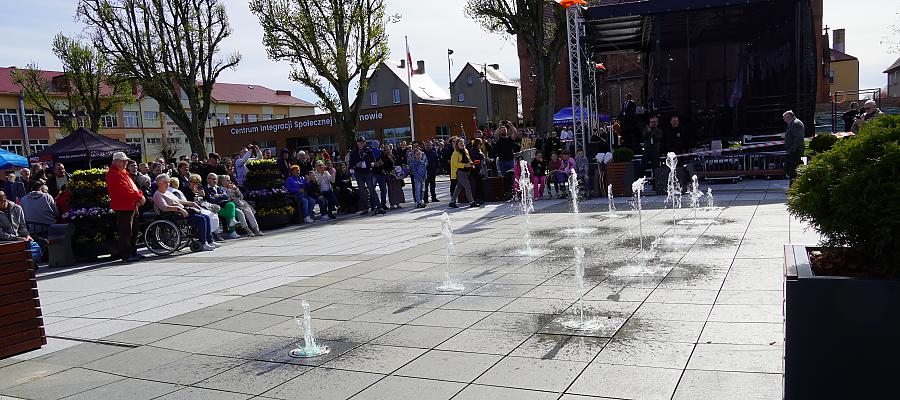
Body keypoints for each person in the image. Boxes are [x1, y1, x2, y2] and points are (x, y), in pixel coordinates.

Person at [152, 174, 215, 251]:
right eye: (165, 182)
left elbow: (179, 201)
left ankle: (209, 240)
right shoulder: (158, 194)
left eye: (168, 182)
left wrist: (190, 203)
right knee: (201, 219)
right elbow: (164, 208)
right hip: (173, 214)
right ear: (159, 183)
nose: (168, 184)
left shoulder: (167, 192)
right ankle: (203, 243)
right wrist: (179, 209)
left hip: (181, 211)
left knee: (206, 217)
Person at [107, 152, 145, 262]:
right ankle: (126, 255)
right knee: (126, 232)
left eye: (126, 161)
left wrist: (139, 196)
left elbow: (133, 187)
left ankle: (133, 252)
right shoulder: (114, 174)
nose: (125, 163)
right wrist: (139, 197)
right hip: (123, 206)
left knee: (133, 231)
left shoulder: (123, 173)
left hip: (131, 205)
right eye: (123, 161)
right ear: (115, 161)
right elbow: (125, 191)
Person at [169, 177, 221, 243]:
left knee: (209, 216)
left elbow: (204, 200)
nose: (196, 184)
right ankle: (204, 241)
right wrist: (194, 196)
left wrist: (202, 195)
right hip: (185, 210)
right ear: (189, 182)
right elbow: (185, 202)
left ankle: (210, 239)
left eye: (198, 182)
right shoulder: (181, 191)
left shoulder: (176, 192)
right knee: (203, 218)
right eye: (194, 182)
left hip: (195, 208)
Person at [205, 172, 247, 237]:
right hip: (214, 207)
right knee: (229, 213)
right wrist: (220, 197)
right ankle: (232, 231)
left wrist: (217, 196)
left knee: (231, 204)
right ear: (208, 180)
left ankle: (232, 221)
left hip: (223, 204)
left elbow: (226, 196)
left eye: (216, 179)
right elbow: (211, 200)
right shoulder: (206, 189)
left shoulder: (218, 188)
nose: (215, 180)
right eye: (212, 179)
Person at [348, 137, 382, 215]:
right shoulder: (354, 152)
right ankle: (365, 208)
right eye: (361, 142)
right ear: (357, 143)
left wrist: (372, 164)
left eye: (363, 142)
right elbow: (350, 165)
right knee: (362, 191)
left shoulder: (368, 150)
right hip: (359, 174)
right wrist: (356, 165)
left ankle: (378, 206)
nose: (362, 143)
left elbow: (373, 161)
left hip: (367, 173)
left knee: (372, 190)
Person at [448, 138, 475, 208]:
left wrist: (471, 164)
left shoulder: (466, 150)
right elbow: (454, 164)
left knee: (458, 187)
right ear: (457, 145)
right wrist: (465, 165)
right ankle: (472, 202)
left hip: (466, 171)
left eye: (463, 143)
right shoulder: (455, 153)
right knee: (468, 186)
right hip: (460, 172)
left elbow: (469, 159)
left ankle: (452, 202)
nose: (463, 144)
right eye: (461, 143)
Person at [783, 110, 806, 181]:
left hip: (795, 151)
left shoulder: (796, 123)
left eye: (785, 118)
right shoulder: (793, 123)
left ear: (789, 117)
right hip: (792, 151)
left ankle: (794, 187)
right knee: (789, 168)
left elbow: (798, 137)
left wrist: (793, 149)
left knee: (793, 171)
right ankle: (794, 186)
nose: (784, 120)